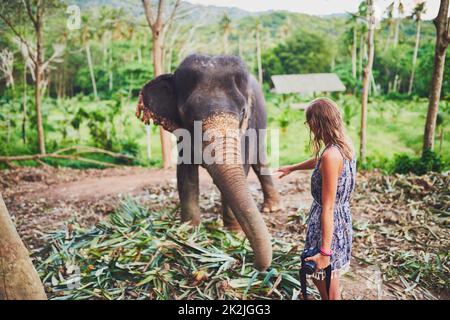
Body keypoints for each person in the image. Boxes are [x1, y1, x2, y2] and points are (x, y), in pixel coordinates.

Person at [277, 97, 356, 300]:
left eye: (309, 121)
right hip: (340, 219)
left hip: (328, 224)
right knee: (324, 280)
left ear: (318, 122)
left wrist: (325, 252)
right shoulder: (343, 146)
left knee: (326, 284)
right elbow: (320, 160)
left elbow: (328, 207)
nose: (308, 126)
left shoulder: (331, 156)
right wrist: (292, 168)